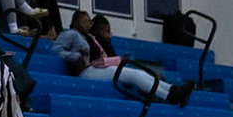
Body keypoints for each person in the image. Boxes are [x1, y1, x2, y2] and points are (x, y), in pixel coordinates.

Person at [53, 9, 195, 106]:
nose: (88, 24)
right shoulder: (71, 34)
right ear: (75, 23)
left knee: (140, 73)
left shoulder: (90, 37)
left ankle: (172, 89)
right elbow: (56, 50)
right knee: (134, 76)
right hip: (86, 71)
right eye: (85, 21)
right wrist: (76, 56)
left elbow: (102, 55)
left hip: (98, 67)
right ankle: (169, 96)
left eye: (89, 21)